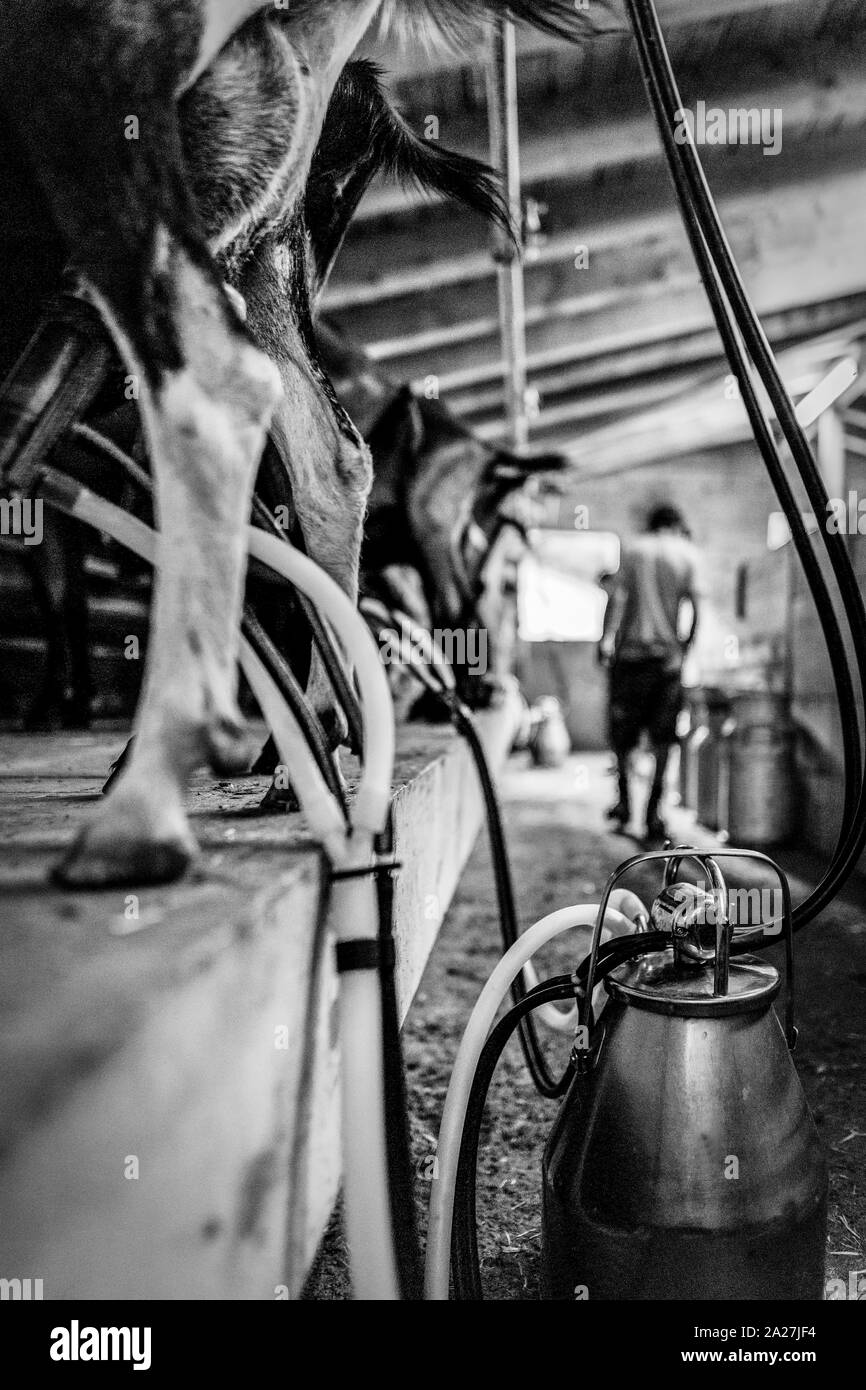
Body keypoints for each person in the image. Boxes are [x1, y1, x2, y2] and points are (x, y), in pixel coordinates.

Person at [599, 503, 700, 840]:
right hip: (665, 663)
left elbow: (616, 599)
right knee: (663, 739)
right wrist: (683, 651)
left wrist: (604, 642)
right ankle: (654, 814)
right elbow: (695, 609)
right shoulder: (686, 555)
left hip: (629, 659)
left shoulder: (633, 549)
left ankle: (625, 805)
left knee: (623, 737)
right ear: (674, 526)